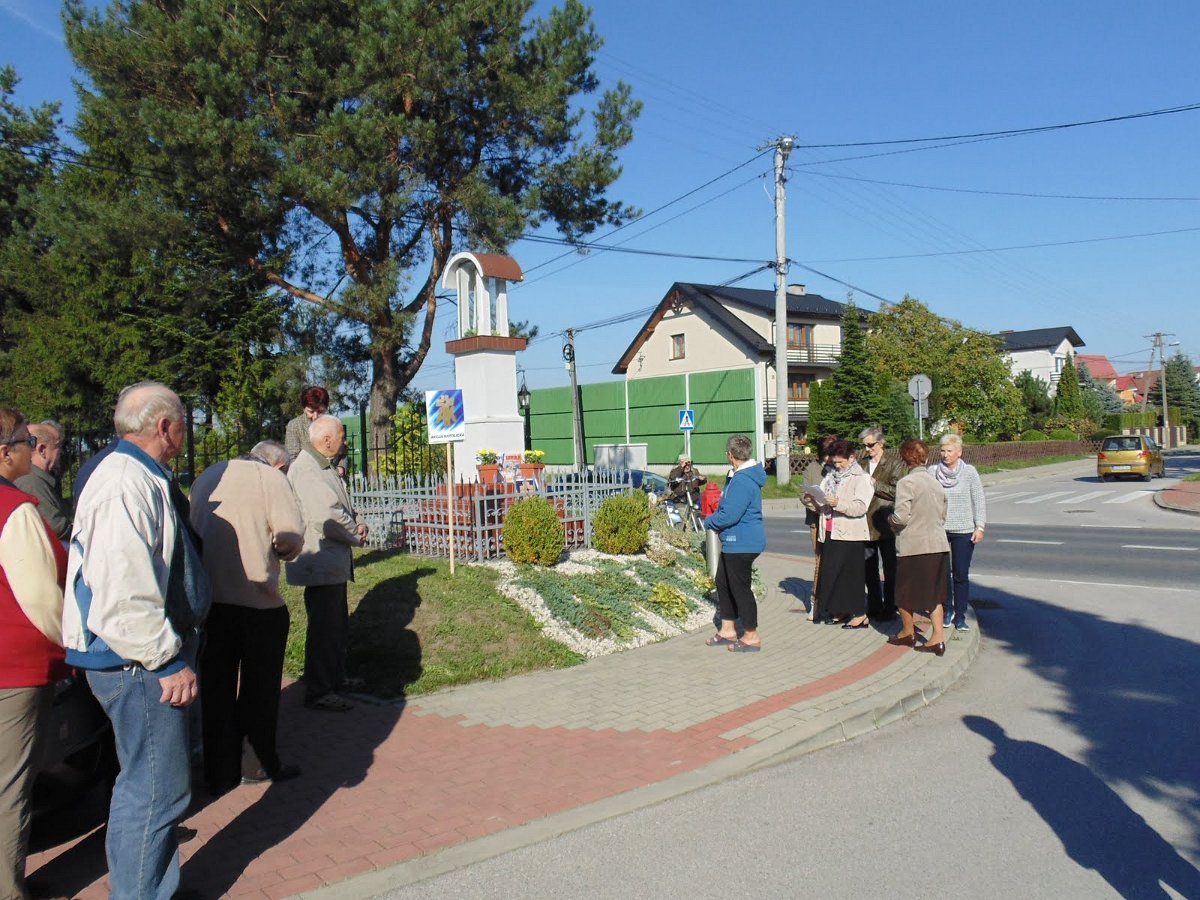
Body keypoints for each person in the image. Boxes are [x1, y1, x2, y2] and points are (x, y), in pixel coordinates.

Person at [62, 382, 211, 900]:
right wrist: (166, 660)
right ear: (165, 427)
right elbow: (123, 591)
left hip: (138, 659)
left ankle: (148, 888)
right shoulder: (124, 483)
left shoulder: (137, 475)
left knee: (153, 786)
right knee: (155, 790)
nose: (185, 435)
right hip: (137, 663)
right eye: (183, 425)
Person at [189, 441, 305, 796]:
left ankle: (219, 770)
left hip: (210, 601)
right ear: (278, 464)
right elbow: (290, 537)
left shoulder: (209, 476)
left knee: (216, 690)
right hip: (257, 601)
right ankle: (256, 763)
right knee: (260, 689)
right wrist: (276, 550)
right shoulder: (271, 479)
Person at [0, 409, 68, 900]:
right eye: (26, 440)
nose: (33, 448)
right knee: (10, 786)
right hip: (15, 666)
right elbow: (42, 597)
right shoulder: (15, 508)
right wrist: (70, 647)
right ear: (5, 452)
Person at [287, 415, 368, 712]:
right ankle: (320, 690)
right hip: (320, 560)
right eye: (342, 437)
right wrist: (355, 534)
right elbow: (327, 515)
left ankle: (333, 679)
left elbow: (342, 504)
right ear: (326, 440)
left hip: (329, 561)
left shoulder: (322, 465)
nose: (344, 442)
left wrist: (357, 520)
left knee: (334, 626)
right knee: (325, 629)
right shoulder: (308, 469)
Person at [703, 434, 766, 652]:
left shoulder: (742, 480)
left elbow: (729, 515)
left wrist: (708, 521)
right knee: (723, 583)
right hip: (735, 541)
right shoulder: (738, 476)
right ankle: (728, 629)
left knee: (740, 589)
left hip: (742, 542)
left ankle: (751, 635)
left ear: (730, 455)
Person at [887, 439, 950, 655]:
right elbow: (943, 515)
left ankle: (907, 632)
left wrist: (889, 520)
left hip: (915, 546)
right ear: (926, 457)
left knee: (904, 592)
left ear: (904, 458)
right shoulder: (936, 483)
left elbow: (901, 517)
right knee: (934, 593)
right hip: (938, 544)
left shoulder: (907, 483)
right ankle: (938, 638)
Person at [805, 438, 874, 628]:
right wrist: (813, 499)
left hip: (850, 533)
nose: (836, 466)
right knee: (834, 574)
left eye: (840, 462)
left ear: (851, 458)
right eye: (834, 462)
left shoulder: (861, 478)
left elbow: (860, 507)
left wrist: (838, 503)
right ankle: (840, 610)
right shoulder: (831, 476)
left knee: (851, 575)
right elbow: (823, 502)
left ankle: (860, 614)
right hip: (830, 530)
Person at [931, 433, 986, 632]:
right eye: (942, 450)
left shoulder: (969, 472)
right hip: (940, 529)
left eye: (949, 450)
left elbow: (978, 499)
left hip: (964, 530)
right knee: (942, 574)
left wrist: (980, 526)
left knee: (960, 574)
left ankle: (961, 615)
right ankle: (947, 610)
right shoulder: (933, 472)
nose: (945, 454)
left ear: (959, 452)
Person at [858, 426, 906, 623]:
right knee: (868, 568)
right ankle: (874, 606)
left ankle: (890, 607)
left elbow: (898, 491)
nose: (867, 449)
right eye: (865, 445)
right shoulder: (861, 463)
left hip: (886, 523)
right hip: (865, 523)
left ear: (881, 443)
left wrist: (874, 483)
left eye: (870, 445)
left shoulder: (894, 463)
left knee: (890, 569)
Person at [14, 420, 71, 544]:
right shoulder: (31, 482)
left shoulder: (41, 479)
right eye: (58, 446)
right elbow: (57, 527)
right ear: (42, 450)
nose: (61, 452)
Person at [801, 434, 837, 622]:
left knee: (836, 562)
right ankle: (815, 603)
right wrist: (815, 504)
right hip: (817, 520)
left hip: (838, 521)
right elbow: (803, 494)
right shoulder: (812, 468)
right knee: (820, 562)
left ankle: (835, 605)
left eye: (831, 454)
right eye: (826, 455)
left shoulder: (840, 467)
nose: (829, 459)